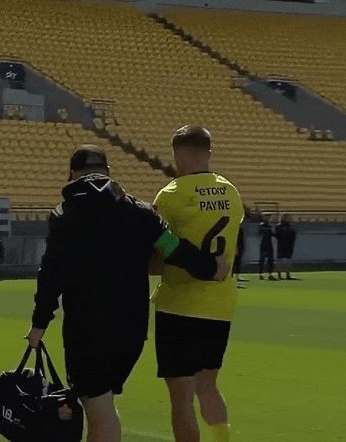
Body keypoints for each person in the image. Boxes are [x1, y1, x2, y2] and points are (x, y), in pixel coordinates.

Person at [25, 144, 230, 442]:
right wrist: (210, 267)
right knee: (103, 402)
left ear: (72, 174)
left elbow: (51, 273)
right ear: (108, 172)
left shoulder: (65, 215)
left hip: (87, 328)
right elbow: (172, 249)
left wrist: (39, 323)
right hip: (132, 329)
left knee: (99, 407)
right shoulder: (141, 212)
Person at [152, 126, 244, 442]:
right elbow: (233, 245)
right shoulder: (231, 192)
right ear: (208, 152)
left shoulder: (171, 195)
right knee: (208, 386)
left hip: (179, 304)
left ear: (177, 154)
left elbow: (160, 247)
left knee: (181, 395)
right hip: (220, 304)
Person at [274, 214, 298, 280]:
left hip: (289, 245)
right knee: (281, 260)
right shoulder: (279, 227)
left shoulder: (290, 226)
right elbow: (277, 235)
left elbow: (294, 235)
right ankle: (279, 274)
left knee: (288, 260)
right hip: (282, 245)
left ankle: (287, 274)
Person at [258, 214, 277, 280]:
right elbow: (261, 233)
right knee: (262, 260)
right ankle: (261, 274)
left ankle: (270, 274)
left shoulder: (269, 226)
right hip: (264, 244)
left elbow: (272, 234)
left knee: (270, 260)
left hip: (269, 244)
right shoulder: (262, 226)